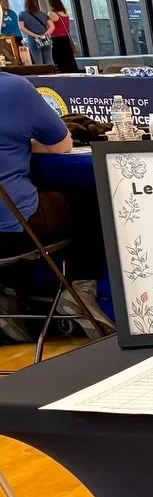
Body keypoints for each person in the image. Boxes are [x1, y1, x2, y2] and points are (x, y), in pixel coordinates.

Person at [0, 75, 112, 340]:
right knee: (89, 201)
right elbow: (62, 144)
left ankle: (7, 292)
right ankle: (82, 288)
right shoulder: (13, 88)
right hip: (15, 227)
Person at [46, 0, 78, 72]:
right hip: (66, 39)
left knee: (59, 60)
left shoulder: (52, 13)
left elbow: (49, 27)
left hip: (56, 40)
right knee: (69, 59)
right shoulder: (65, 13)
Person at [18, 0, 50, 67]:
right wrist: (45, 34)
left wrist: (35, 35)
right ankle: (53, 76)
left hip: (33, 39)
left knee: (38, 62)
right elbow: (52, 26)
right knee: (49, 61)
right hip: (45, 38)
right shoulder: (43, 14)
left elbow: (22, 28)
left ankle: (42, 77)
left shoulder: (22, 15)